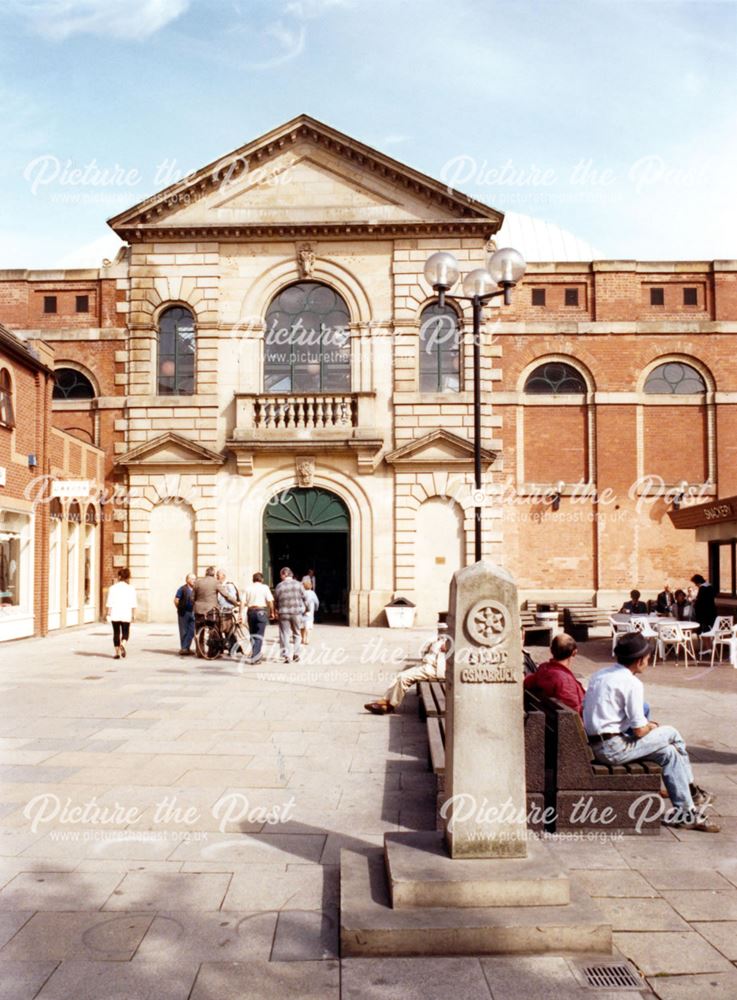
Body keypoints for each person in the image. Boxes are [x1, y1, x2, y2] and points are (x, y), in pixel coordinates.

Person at [583, 631, 718, 832]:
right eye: (647, 657)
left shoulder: (600, 675)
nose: (648, 660)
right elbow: (639, 731)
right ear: (639, 661)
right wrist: (652, 727)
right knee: (671, 733)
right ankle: (691, 788)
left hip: (598, 743)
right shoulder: (632, 683)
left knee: (670, 753)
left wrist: (646, 726)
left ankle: (686, 812)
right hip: (613, 749)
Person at [365, 629, 449, 715]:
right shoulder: (448, 636)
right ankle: (385, 701)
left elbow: (446, 647)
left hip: (435, 668)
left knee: (403, 678)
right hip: (430, 665)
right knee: (400, 675)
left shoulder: (452, 639)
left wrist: (441, 644)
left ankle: (389, 705)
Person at [523, 633, 585, 715]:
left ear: (551, 650)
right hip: (571, 725)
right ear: (574, 652)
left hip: (551, 720)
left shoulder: (543, 670)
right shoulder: (565, 681)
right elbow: (574, 712)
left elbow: (527, 681)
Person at [274, 566, 307, 663]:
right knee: (297, 633)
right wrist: (306, 609)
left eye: (281, 575)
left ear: (285, 574)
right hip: (296, 612)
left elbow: (276, 600)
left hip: (283, 612)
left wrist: (276, 609)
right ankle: (296, 653)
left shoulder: (279, 586)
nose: (280, 577)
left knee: (285, 634)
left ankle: (287, 655)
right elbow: (305, 597)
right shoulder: (299, 584)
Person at [243, 571, 274, 664]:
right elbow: (270, 601)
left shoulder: (248, 588)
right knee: (259, 635)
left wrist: (241, 614)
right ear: (262, 579)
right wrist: (272, 612)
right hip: (261, 611)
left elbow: (242, 602)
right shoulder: (265, 587)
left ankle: (255, 654)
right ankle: (255, 657)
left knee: (252, 634)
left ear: (253, 579)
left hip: (251, 611)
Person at [106, 568, 137, 660]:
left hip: (115, 613)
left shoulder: (112, 588)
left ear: (119, 577)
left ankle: (117, 653)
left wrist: (108, 614)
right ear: (128, 577)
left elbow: (109, 602)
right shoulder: (131, 588)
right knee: (125, 632)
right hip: (126, 613)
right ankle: (123, 644)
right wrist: (134, 614)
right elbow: (133, 603)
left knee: (116, 633)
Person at [174, 573, 196, 656]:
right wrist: (179, 608)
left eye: (195, 579)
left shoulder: (195, 589)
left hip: (193, 612)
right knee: (183, 631)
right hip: (183, 612)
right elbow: (176, 600)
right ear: (187, 580)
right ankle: (185, 648)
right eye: (192, 579)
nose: (194, 581)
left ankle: (185, 648)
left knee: (192, 630)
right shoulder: (182, 589)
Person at [301, 577, 320, 646]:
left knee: (302, 625)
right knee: (308, 626)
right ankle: (307, 639)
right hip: (310, 611)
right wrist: (316, 608)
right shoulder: (312, 593)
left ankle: (302, 638)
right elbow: (317, 602)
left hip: (301, 611)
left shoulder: (301, 593)